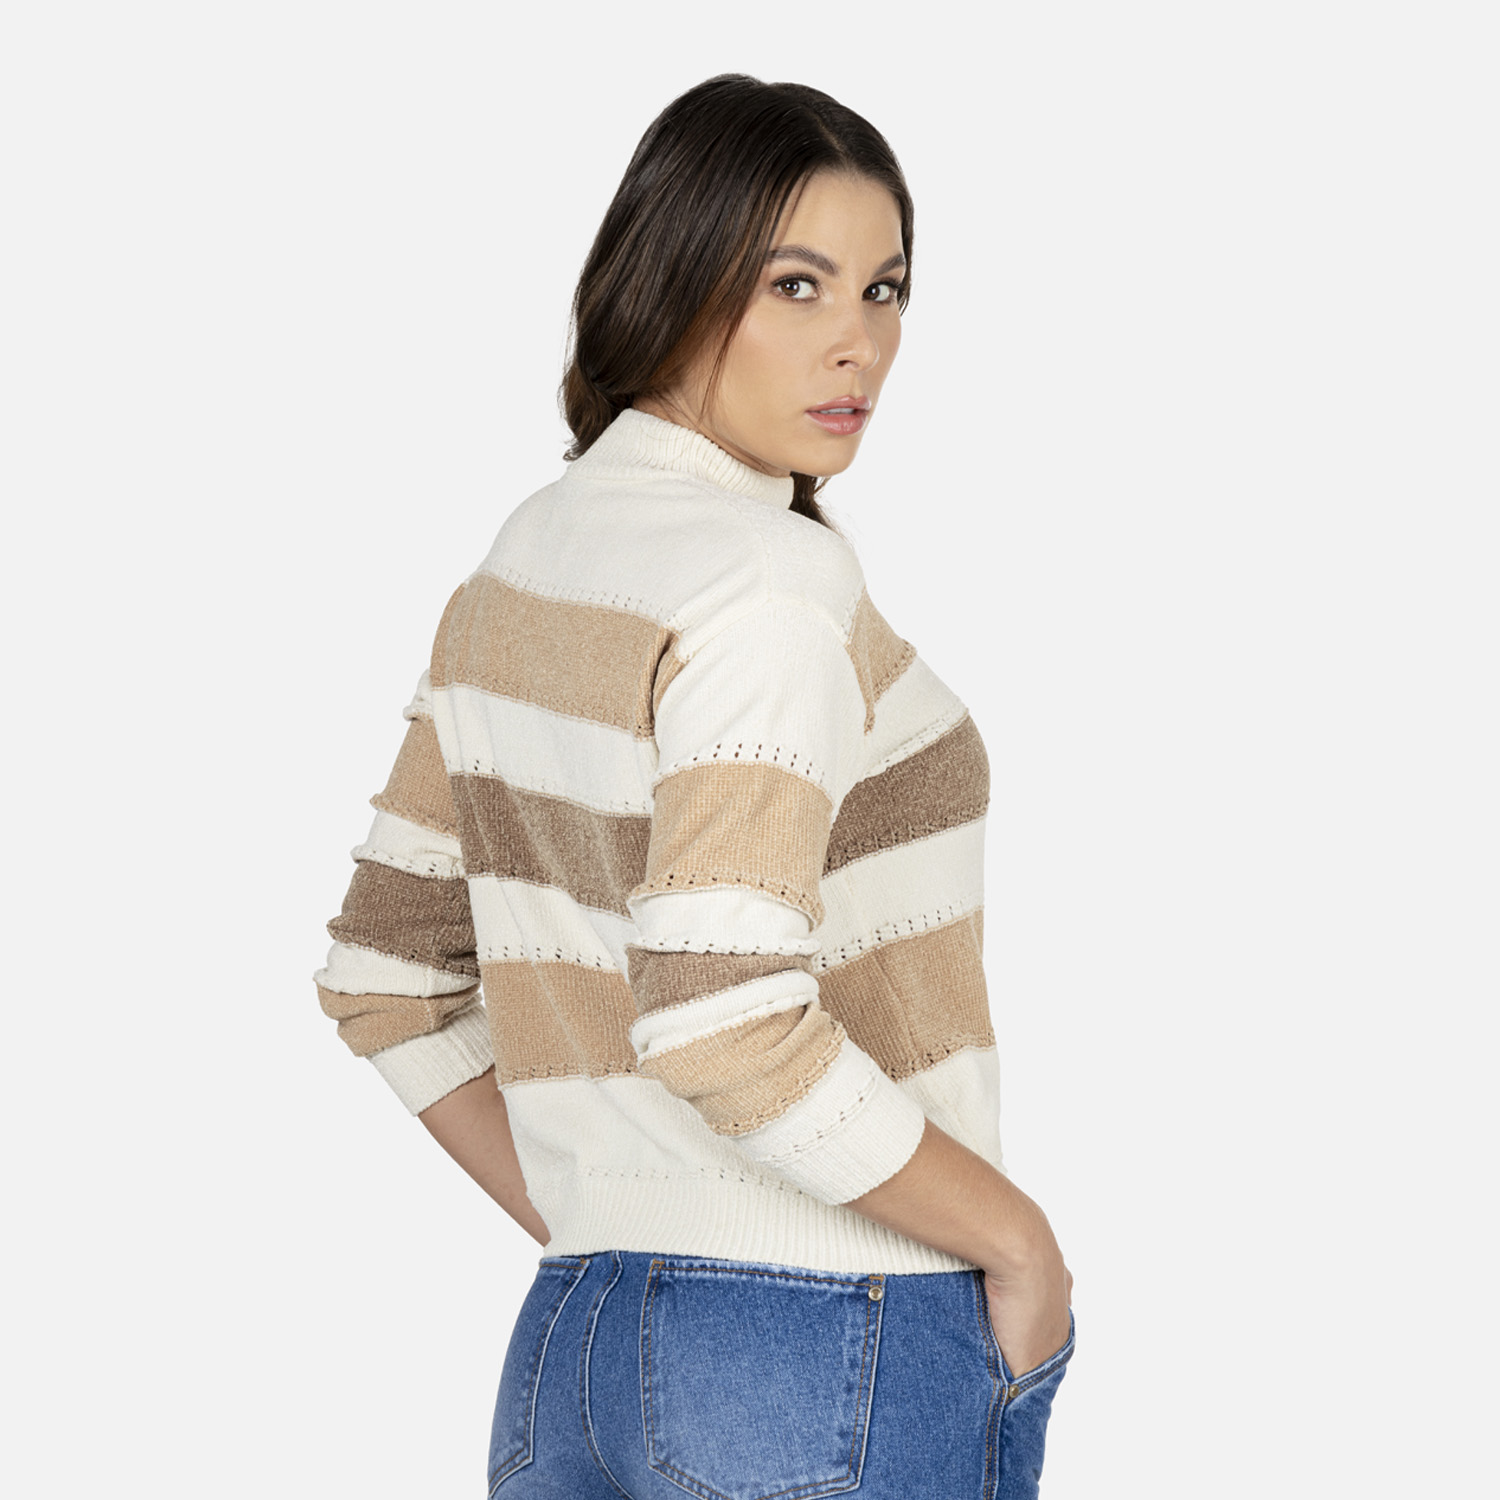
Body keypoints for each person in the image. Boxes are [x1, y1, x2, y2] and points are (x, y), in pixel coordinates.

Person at [314, 73, 1074, 1500]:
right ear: (669, 280)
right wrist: (1015, 1240)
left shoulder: (525, 561)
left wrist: (620, 1218)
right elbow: (724, 1018)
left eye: (885, 290)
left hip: (576, 1355)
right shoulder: (770, 582)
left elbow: (385, 981)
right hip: (830, 1347)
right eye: (796, 285)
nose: (858, 343)